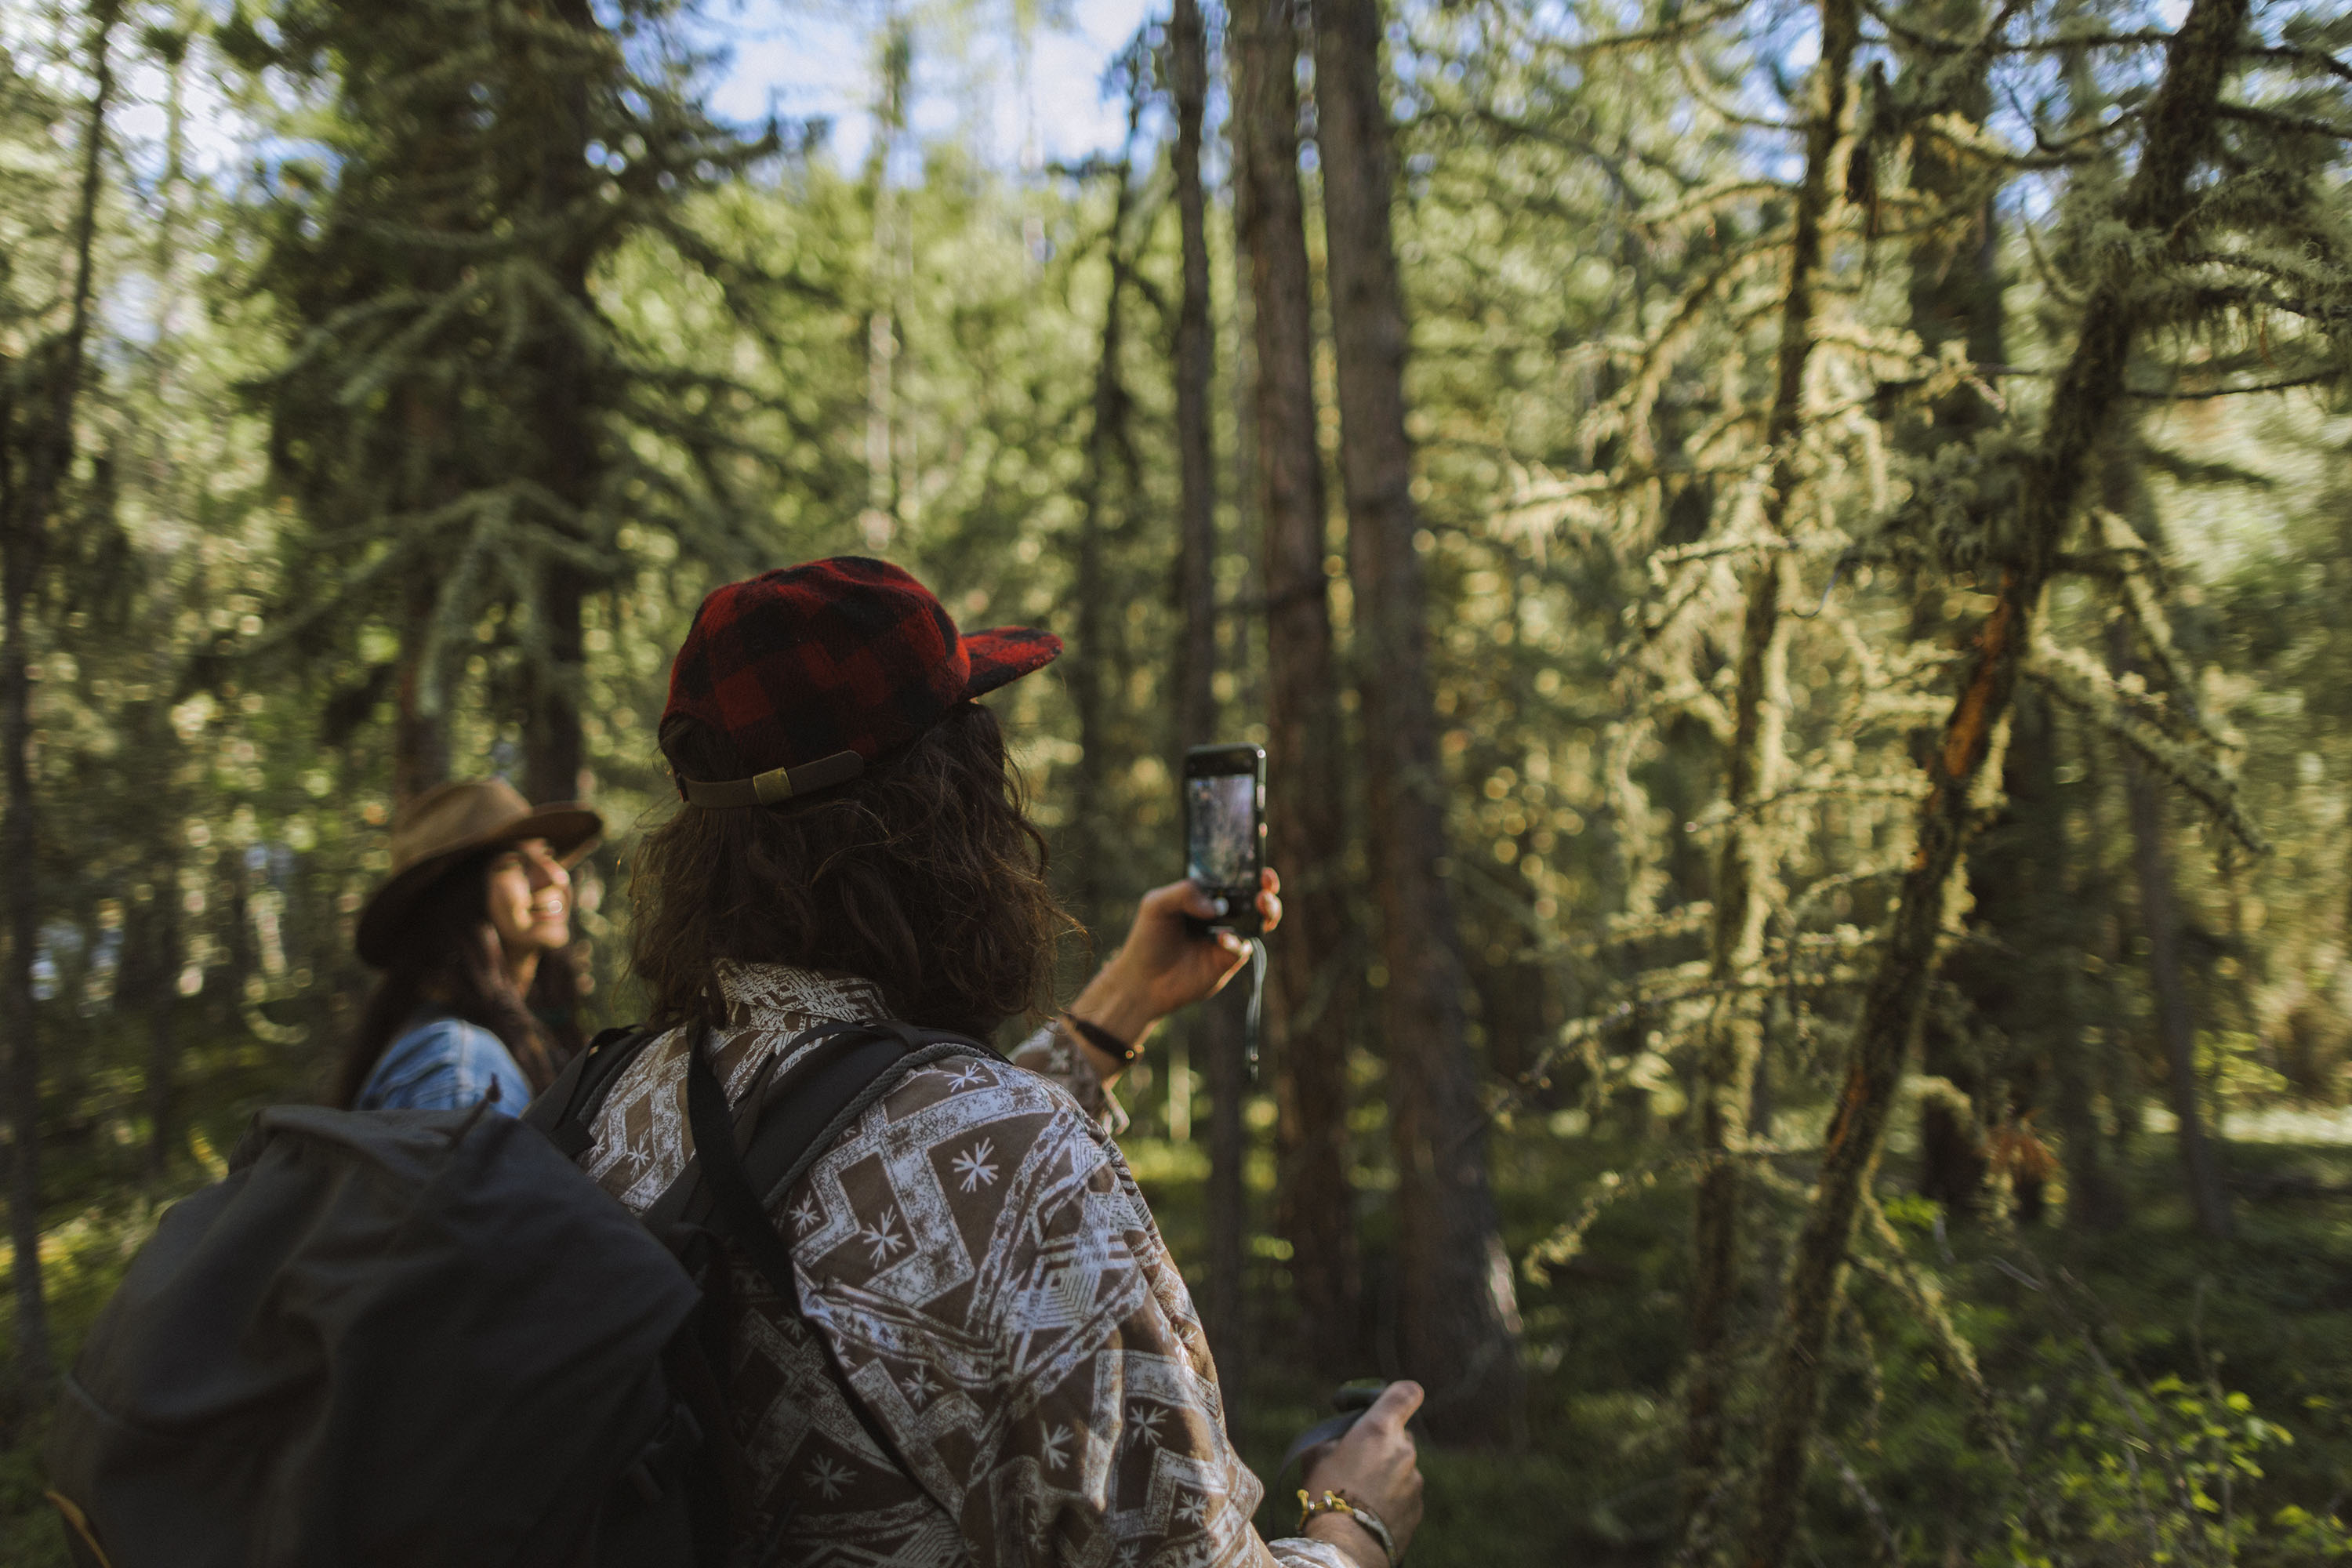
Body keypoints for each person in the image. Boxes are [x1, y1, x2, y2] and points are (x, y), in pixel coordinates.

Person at [579, 557, 1424, 1568]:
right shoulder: (1024, 1170)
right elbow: (945, 1192)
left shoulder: (617, 1099)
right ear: (950, 802)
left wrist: (1122, 1005)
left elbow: (872, 1173)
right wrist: (1351, 1525)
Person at [338, 777, 602, 1114]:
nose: (555, 877)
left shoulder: (513, 1036)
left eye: (548, 854)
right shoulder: (459, 1069)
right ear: (456, 899)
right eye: (513, 864)